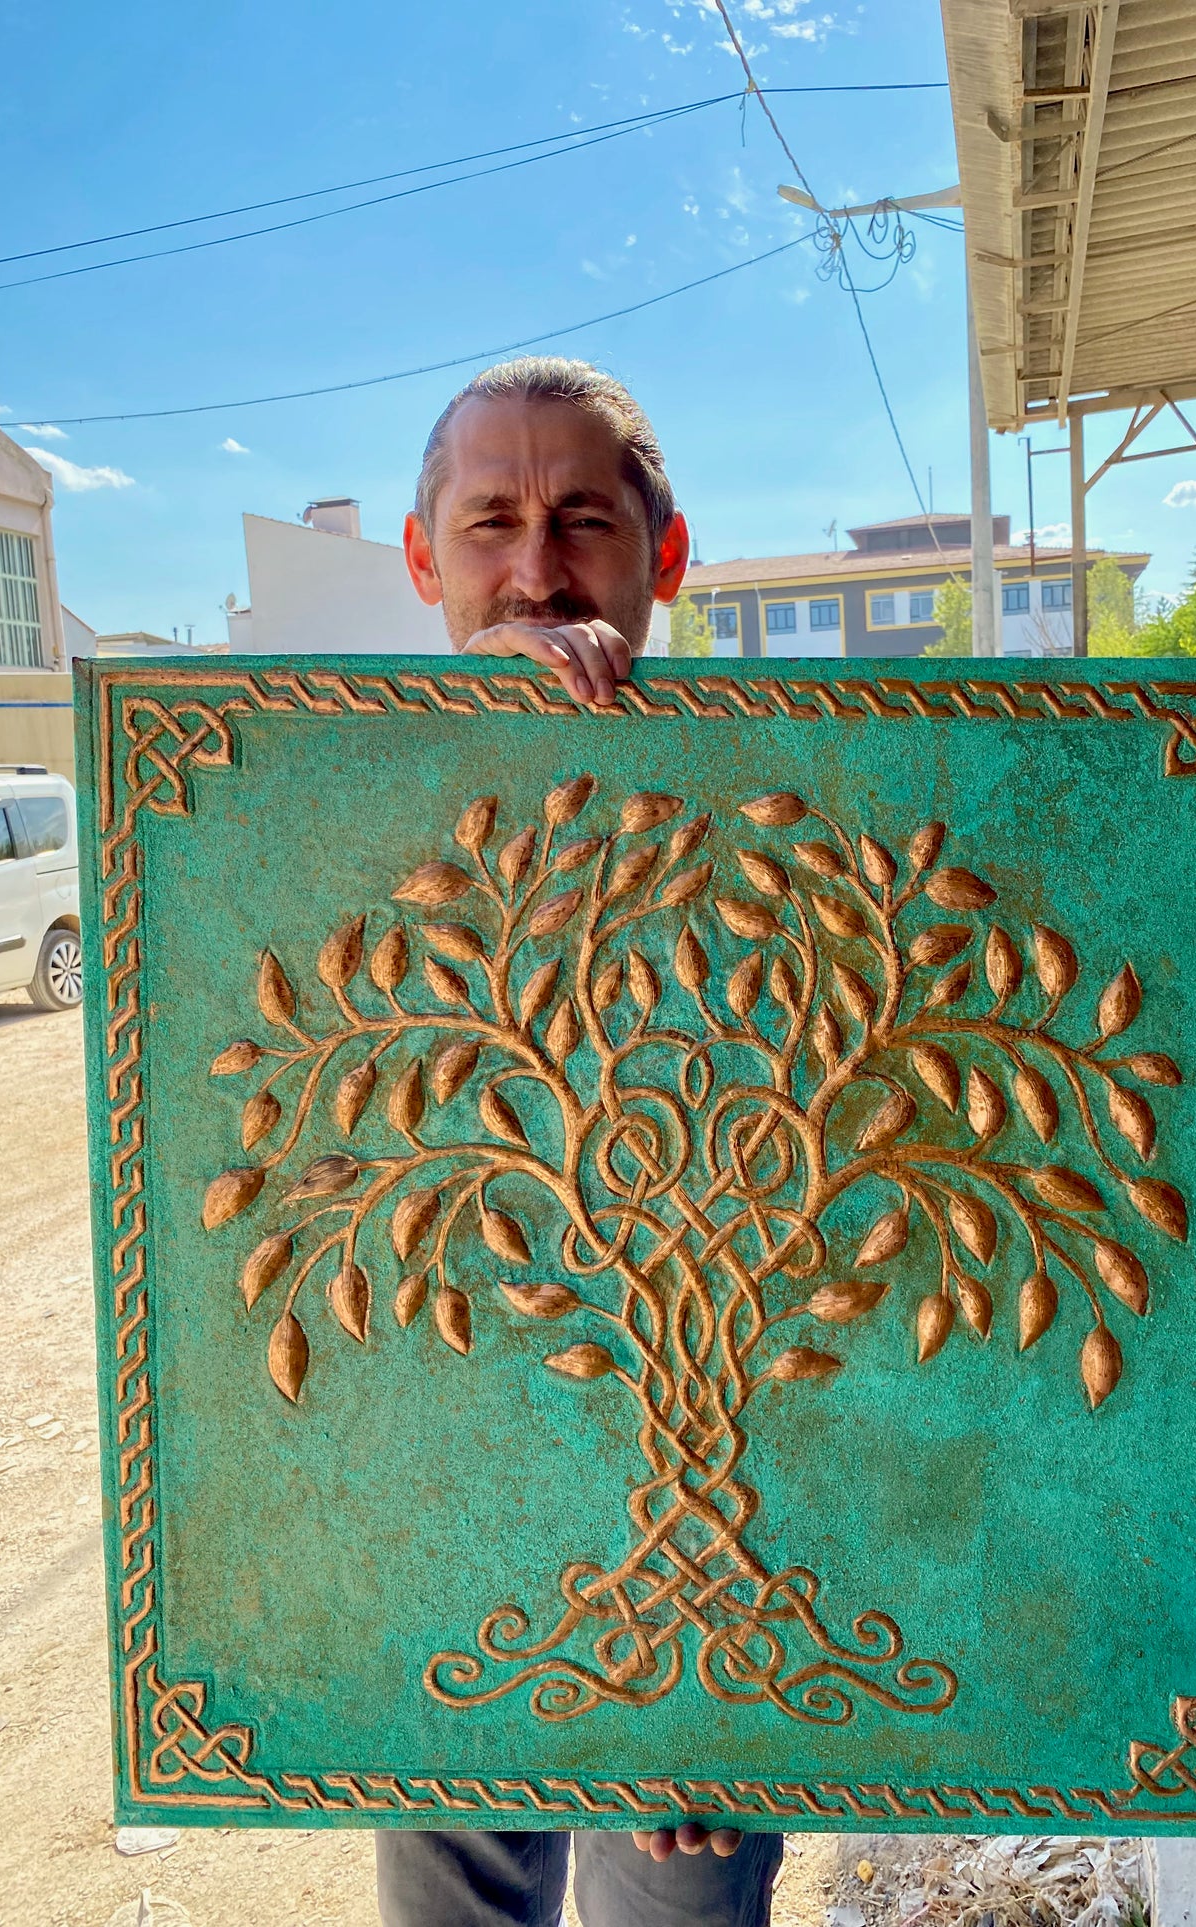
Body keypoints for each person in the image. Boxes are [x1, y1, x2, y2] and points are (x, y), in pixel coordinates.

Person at [387, 357, 785, 1927]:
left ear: (661, 557)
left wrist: (711, 1683)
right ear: (423, 557)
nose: (535, 570)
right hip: (444, 1544)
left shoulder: (786, 805)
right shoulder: (319, 799)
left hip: (714, 1550)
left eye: (581, 522)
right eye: (490, 522)